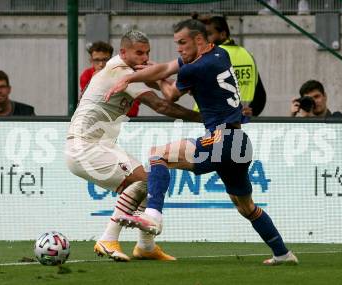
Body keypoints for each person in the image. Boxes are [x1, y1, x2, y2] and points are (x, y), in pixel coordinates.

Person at [106, 19, 298, 266]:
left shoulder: (193, 69)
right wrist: (140, 76)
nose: (179, 48)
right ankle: (282, 252)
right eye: (176, 44)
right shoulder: (221, 54)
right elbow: (164, 67)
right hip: (238, 142)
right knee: (246, 207)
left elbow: (170, 92)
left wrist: (133, 79)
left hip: (220, 139)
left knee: (158, 155)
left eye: (182, 43)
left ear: (199, 40)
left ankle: (153, 215)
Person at [65, 30, 202, 262]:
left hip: (99, 144)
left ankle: (145, 247)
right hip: (85, 146)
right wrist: (203, 117)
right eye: (139, 53)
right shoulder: (120, 71)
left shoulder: (130, 69)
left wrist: (174, 77)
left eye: (147, 53)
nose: (144, 58)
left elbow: (171, 92)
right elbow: (162, 106)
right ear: (123, 52)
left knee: (148, 186)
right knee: (147, 181)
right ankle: (107, 239)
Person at [197, 15, 266, 117]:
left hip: (210, 122)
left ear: (223, 34)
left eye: (209, 34)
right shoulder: (247, 55)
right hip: (240, 122)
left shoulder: (210, 56)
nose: (206, 39)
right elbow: (261, 96)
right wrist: (253, 112)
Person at [80, 41, 140, 117]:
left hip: (126, 118)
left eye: (105, 60)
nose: (101, 64)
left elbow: (135, 103)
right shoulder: (87, 75)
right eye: (97, 60)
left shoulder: (123, 72)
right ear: (91, 61)